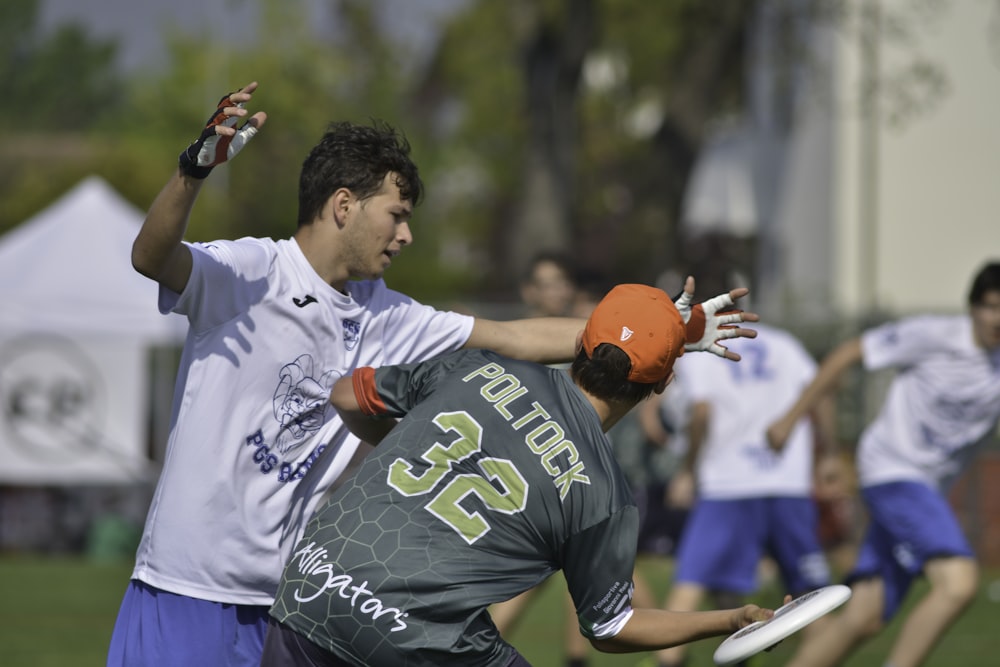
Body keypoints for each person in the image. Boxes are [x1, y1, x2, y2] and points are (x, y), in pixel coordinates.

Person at [107, 81, 759, 667]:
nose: (407, 235)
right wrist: (193, 170)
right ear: (343, 206)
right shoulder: (251, 272)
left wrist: (660, 334)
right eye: (397, 214)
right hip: (185, 586)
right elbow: (151, 256)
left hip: (287, 597)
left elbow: (521, 337)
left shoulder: (389, 314)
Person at [262, 284, 782, 666]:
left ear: (582, 343)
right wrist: (729, 619)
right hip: (411, 635)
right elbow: (610, 626)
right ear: (664, 382)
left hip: (311, 587)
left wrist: (403, 443)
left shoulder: (476, 367)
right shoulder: (601, 492)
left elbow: (348, 394)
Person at [766, 260, 1000, 667]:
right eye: (991, 307)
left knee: (863, 617)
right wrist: (792, 420)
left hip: (924, 491)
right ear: (972, 307)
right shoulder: (934, 335)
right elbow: (847, 354)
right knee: (959, 583)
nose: (998, 319)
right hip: (893, 473)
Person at [653, 320, 837, 667]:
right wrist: (827, 453)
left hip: (728, 483)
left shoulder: (699, 349)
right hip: (787, 482)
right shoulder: (785, 341)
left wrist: (688, 471)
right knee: (812, 600)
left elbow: (702, 411)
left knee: (689, 584)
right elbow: (822, 389)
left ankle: (666, 661)